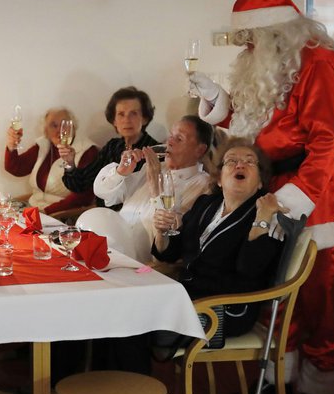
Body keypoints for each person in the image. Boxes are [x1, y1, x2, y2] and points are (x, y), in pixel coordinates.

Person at [190, 0, 334, 394]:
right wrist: (218, 100)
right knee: (278, 298)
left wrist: (297, 198)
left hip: (320, 200)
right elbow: (262, 125)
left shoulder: (320, 63)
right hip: (274, 195)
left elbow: (327, 140)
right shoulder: (271, 66)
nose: (244, 46)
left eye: (250, 37)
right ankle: (277, 386)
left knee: (320, 301)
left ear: (276, 34)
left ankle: (317, 393)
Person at [91, 138, 284, 375]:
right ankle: (103, 388)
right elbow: (171, 252)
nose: (239, 165)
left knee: (130, 319)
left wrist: (262, 218)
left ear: (260, 181)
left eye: (249, 162)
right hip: (185, 297)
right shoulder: (207, 204)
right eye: (231, 161)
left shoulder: (267, 217)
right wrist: (163, 233)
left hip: (223, 310)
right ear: (219, 179)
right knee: (109, 307)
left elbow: (249, 268)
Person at [91, 115, 212, 261]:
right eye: (171, 136)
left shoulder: (204, 186)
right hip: (110, 252)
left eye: (179, 139)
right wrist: (121, 172)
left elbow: (168, 235)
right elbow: (102, 192)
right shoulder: (152, 168)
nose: (169, 142)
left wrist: (156, 186)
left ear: (199, 150)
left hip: (144, 267)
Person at [59, 86, 159, 208]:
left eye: (133, 113)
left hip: (134, 221)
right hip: (104, 217)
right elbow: (80, 184)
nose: (127, 120)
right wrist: (69, 163)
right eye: (121, 114)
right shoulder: (112, 146)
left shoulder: (155, 151)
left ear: (144, 118)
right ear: (114, 121)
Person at [4, 107, 98, 214]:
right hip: (34, 209)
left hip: (62, 216)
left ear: (73, 126)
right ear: (45, 131)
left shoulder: (88, 151)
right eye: (54, 125)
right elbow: (16, 168)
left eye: (64, 124)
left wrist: (46, 212)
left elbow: (83, 197)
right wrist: (11, 146)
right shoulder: (44, 145)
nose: (60, 130)